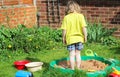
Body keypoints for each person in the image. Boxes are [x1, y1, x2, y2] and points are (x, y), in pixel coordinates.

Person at [61, 0, 87, 70]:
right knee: (78, 54)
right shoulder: (81, 16)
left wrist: (63, 38)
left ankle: (72, 69)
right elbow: (84, 28)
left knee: (72, 55)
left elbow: (64, 30)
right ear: (77, 7)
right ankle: (78, 68)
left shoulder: (66, 18)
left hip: (70, 39)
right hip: (79, 38)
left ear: (68, 9)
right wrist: (85, 36)